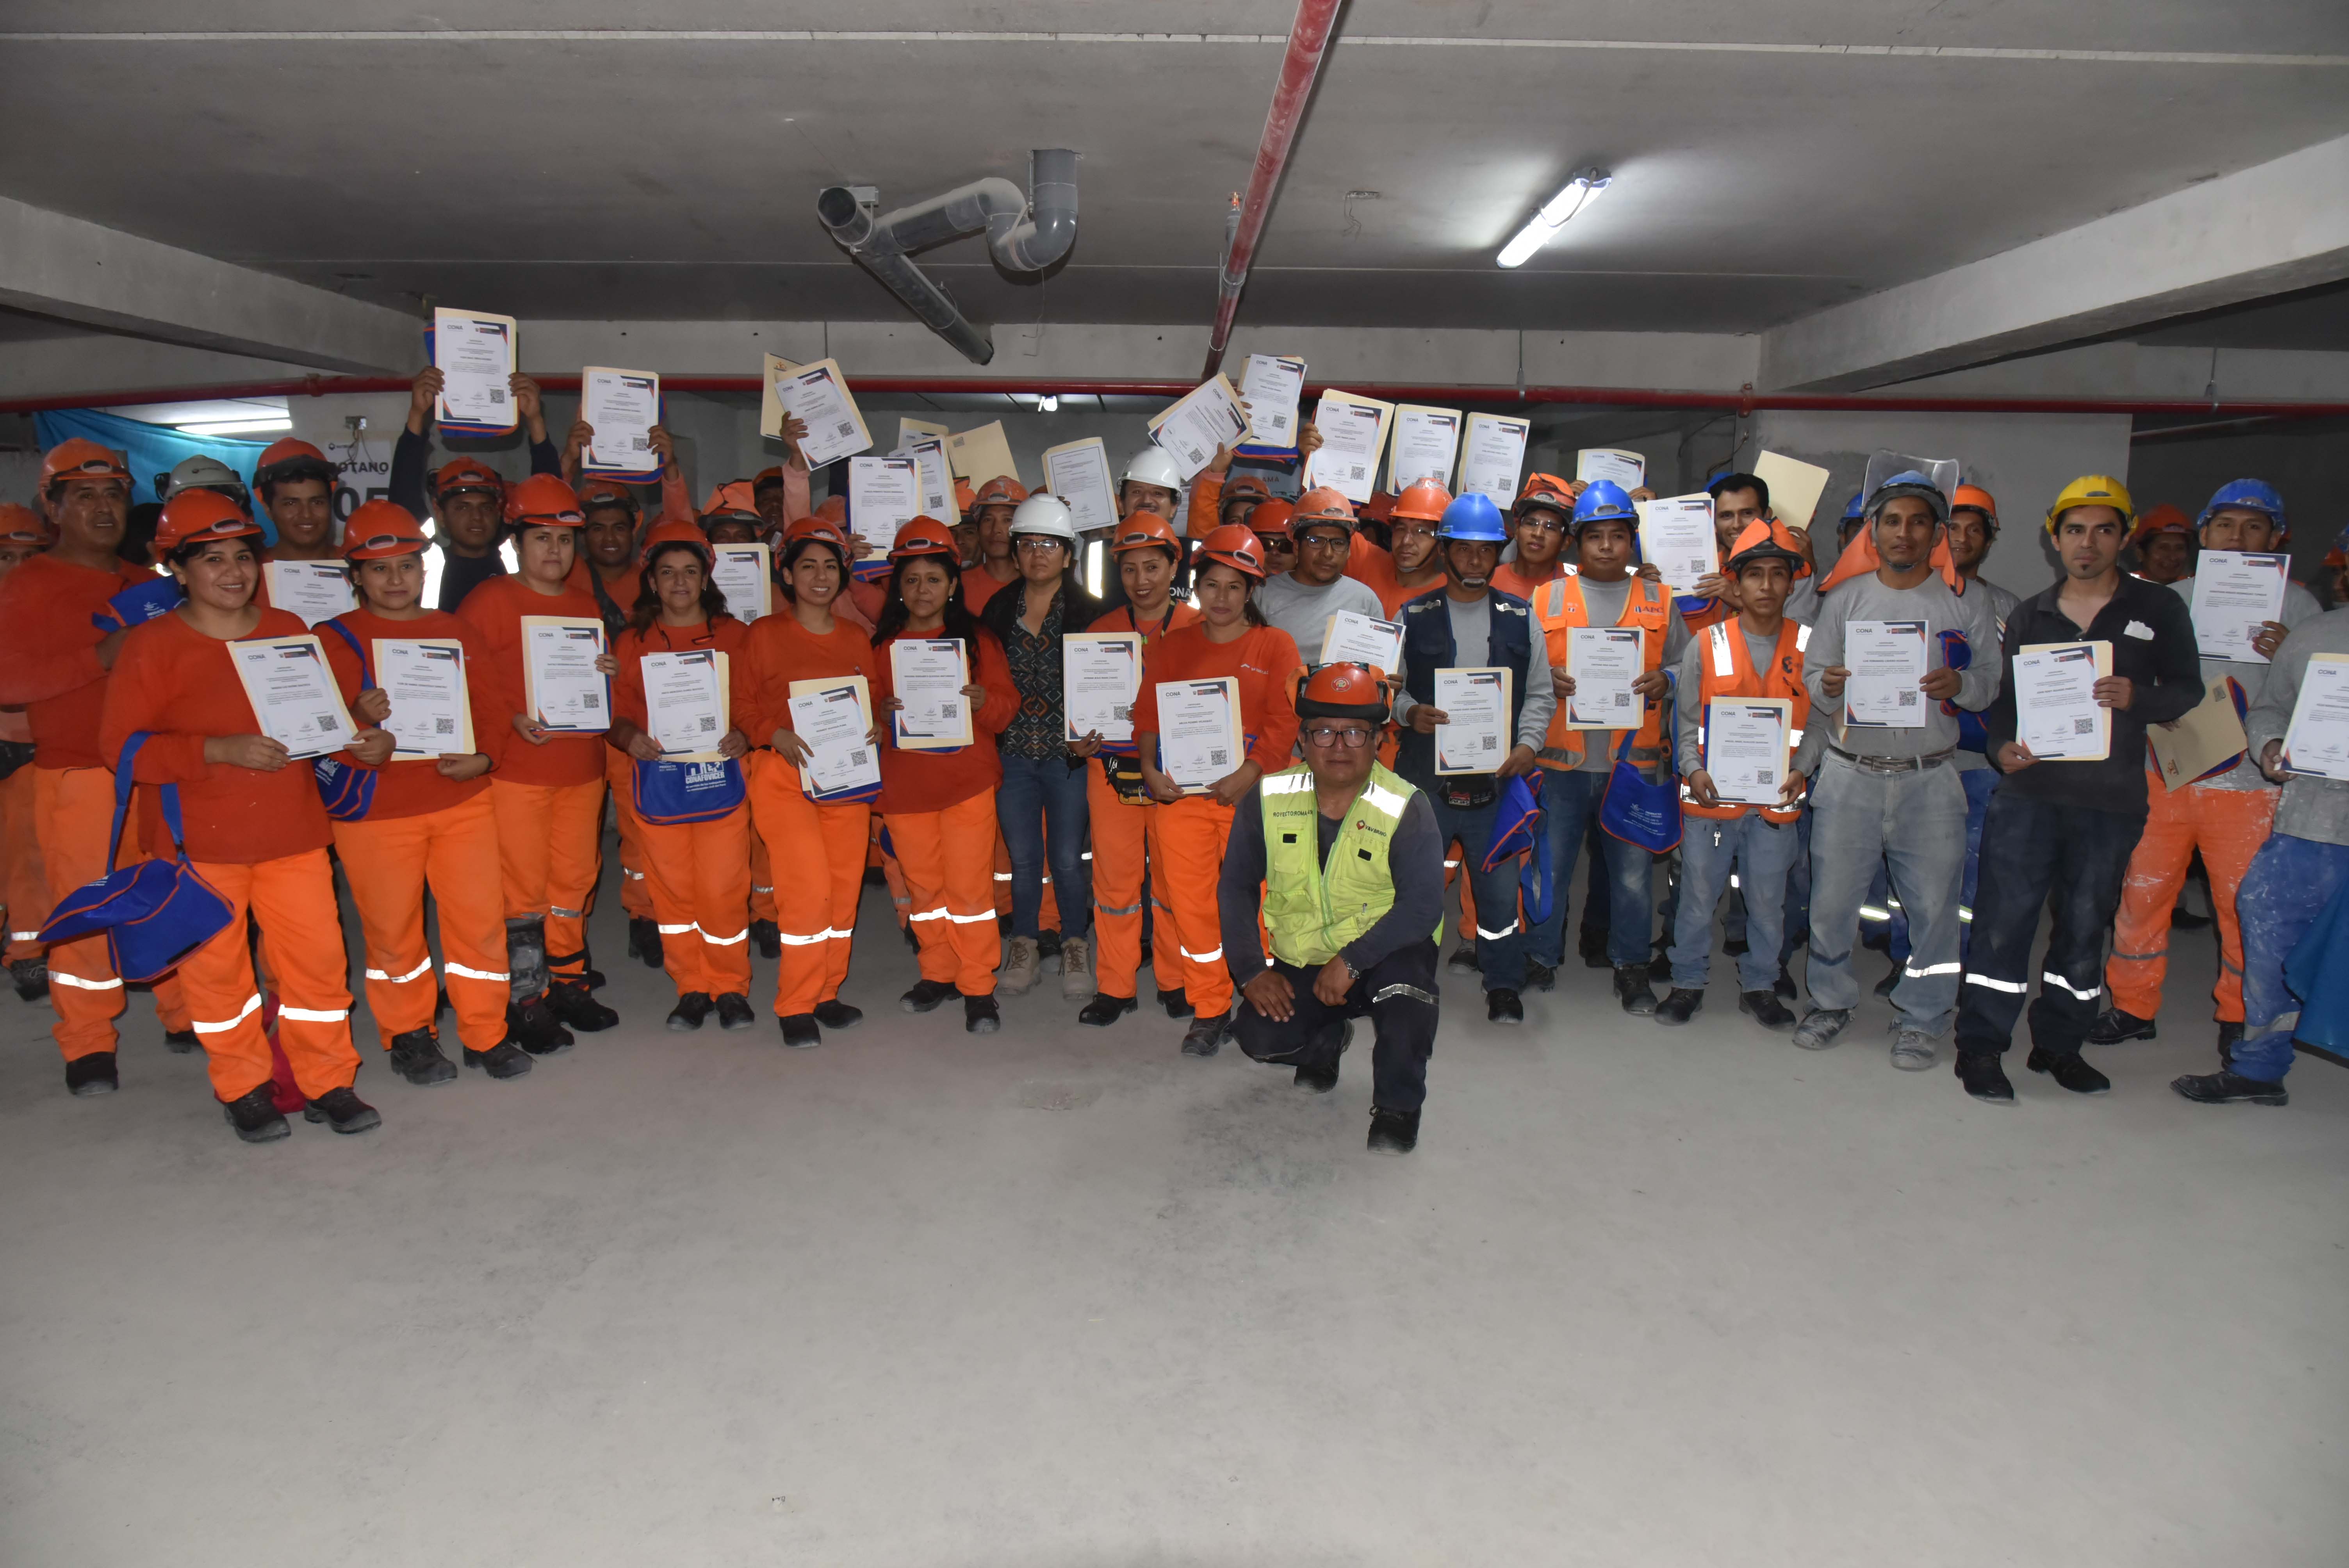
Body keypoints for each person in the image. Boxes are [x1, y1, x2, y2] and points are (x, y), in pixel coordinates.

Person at [98, 491, 382, 1143]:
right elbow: (121, 749)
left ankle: (327, 1081)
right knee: (219, 977)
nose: (234, 572)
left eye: (243, 557)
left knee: (317, 968)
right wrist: (215, 751)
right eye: (213, 559)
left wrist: (360, 736)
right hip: (200, 848)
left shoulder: (288, 627)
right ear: (176, 569)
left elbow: (318, 722)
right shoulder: (152, 647)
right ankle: (244, 1088)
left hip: (293, 836)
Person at [1954, 476, 2203, 1102]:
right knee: (2002, 925)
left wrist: (2139, 698)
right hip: (2029, 798)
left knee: (2085, 929)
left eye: (2103, 531)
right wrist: (1999, 748)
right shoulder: (2031, 614)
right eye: (2074, 531)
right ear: (2054, 537)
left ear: (2124, 536)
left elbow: (2188, 689)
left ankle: (2060, 1046)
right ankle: (1981, 1047)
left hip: (2108, 802)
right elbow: (2008, 706)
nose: (2087, 543)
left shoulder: (2158, 610)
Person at [2092, 480, 2319, 1055]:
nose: (2237, 537)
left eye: (2253, 527)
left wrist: (2293, 653)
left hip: (2248, 786)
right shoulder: (2168, 599)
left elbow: (2322, 700)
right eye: (2225, 525)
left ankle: (2241, 1014)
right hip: (2165, 772)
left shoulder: (2300, 609)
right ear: (2205, 533)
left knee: (2243, 908)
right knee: (2142, 895)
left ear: (2276, 538)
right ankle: (2132, 1005)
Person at [0, 440, 197, 1093]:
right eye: (84, 496)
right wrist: (101, 657)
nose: (103, 507)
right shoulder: (26, 586)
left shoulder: (152, 585)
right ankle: (88, 1042)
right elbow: (10, 682)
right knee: (84, 911)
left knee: (168, 894)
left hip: (158, 771)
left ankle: (182, 1012)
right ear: (53, 507)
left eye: (113, 494)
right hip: (79, 775)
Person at [318, 500, 533, 1084]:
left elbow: (492, 708)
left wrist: (486, 758)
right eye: (379, 568)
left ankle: (486, 1031)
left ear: (424, 568)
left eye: (408, 566)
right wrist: (356, 721)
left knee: (479, 924)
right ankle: (409, 1034)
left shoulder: (454, 629)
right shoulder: (333, 639)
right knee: (393, 933)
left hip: (462, 802)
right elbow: (314, 729)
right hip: (378, 812)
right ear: (356, 575)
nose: (396, 579)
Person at [1797, 470, 2001, 1067]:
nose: (1903, 532)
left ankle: (1923, 1018)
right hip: (1850, 773)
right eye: (1891, 521)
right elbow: (1813, 677)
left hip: (1930, 776)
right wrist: (1830, 684)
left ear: (1937, 533)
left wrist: (1961, 684)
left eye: (1917, 522)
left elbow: (1990, 681)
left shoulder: (1965, 600)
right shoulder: (1845, 598)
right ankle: (1830, 1002)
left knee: (1935, 908)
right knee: (1832, 903)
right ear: (1874, 531)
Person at [1225, 663, 1445, 1154]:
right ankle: (1327, 1041)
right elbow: (1236, 886)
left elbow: (1423, 905)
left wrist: (1352, 960)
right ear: (1302, 740)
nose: (1339, 745)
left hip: (1387, 951)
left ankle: (1397, 1106)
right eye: (1324, 731)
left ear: (1378, 740)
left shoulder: (1406, 805)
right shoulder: (1267, 797)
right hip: (1306, 955)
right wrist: (1250, 970)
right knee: (1259, 1036)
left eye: (1355, 732)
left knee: (1406, 994)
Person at [457, 474, 621, 1045]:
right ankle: (525, 999)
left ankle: (569, 983)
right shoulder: (491, 601)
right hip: (518, 774)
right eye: (542, 538)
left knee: (573, 881)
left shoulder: (583, 604)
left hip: (581, 769)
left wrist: (607, 672)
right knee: (523, 889)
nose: (555, 550)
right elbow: (464, 682)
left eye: (565, 539)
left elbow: (595, 689)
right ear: (516, 543)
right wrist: (509, 718)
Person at [2173, 604, 2349, 1107]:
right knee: (2270, 933)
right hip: (2308, 824)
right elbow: (2271, 707)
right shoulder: (2317, 633)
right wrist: (2269, 744)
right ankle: (2259, 1068)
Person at [1134, 525, 1301, 1053]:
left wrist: (1246, 775)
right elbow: (1148, 717)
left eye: (1235, 587)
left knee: (1261, 902)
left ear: (1251, 591)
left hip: (1253, 798)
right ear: (1196, 588)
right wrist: (1149, 768)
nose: (1222, 598)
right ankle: (1209, 1008)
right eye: (1212, 585)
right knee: (1193, 906)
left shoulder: (1275, 645)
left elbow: (1284, 722)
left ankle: (1265, 1000)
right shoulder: (1172, 646)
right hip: (1182, 801)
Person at [1392, 493, 1554, 1023]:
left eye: (1486, 549)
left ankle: (1503, 982)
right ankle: (1406, 981)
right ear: (1444, 550)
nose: (1475, 559)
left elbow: (1540, 694)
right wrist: (1408, 711)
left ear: (1498, 553)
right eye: (1463, 548)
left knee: (1500, 895)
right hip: (1426, 783)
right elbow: (1386, 688)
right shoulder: (1411, 615)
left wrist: (1529, 745)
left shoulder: (1520, 617)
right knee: (1415, 888)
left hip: (1497, 783)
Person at [1527, 480, 1685, 1012]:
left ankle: (1631, 966)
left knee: (1634, 879)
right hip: (1560, 768)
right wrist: (1546, 677)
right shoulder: (1545, 598)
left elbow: (1688, 663)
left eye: (1618, 536)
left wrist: (1668, 679)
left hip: (1633, 768)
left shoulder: (1661, 600)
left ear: (1632, 542)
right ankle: (1540, 957)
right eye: (1595, 536)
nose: (1606, 546)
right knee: (1550, 870)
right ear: (1577, 542)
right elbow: (1520, 668)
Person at [1659, 520, 1819, 1028]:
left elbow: (1820, 723)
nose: (1766, 585)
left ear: (1792, 582)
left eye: (1778, 574)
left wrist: (1803, 767)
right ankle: (1687, 982)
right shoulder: (1706, 644)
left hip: (1776, 803)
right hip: (1711, 803)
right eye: (1755, 575)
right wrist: (1692, 768)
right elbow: (1685, 722)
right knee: (1696, 899)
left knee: (1768, 903)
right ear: (1737, 582)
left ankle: (1760, 986)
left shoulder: (1811, 645)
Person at [607, 519, 758, 1033]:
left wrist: (744, 733)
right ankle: (691, 987)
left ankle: (730, 987)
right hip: (659, 784)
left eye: (690, 571)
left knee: (723, 888)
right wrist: (629, 737)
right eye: (668, 572)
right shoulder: (632, 642)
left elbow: (756, 702)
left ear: (705, 578)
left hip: (720, 780)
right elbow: (616, 713)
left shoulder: (736, 637)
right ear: (651, 581)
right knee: (672, 891)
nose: (679, 582)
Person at [870, 518, 1019, 1034]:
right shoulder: (882, 645)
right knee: (925, 890)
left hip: (965, 785)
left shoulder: (977, 641)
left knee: (971, 893)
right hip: (906, 788)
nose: (922, 590)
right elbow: (867, 709)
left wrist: (983, 701)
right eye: (911, 580)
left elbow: (1006, 708)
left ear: (953, 584)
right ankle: (937, 972)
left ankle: (978, 985)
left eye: (933, 579)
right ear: (899, 587)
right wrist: (880, 711)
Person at [740, 514, 882, 1048]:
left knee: (843, 891)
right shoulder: (764, 634)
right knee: (806, 891)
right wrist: (772, 734)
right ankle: (796, 1003)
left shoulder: (854, 637)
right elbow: (741, 703)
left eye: (830, 566)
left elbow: (870, 695)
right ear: (787, 574)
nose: (820, 577)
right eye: (808, 567)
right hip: (784, 776)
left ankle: (827, 992)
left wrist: (876, 724)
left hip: (846, 780)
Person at [1068, 513, 1202, 1026]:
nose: (1141, 580)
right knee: (1115, 883)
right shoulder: (1099, 632)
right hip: (1111, 773)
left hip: (1176, 777)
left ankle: (1175, 980)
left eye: (1152, 567)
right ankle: (1116, 986)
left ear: (1174, 568)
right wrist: (1077, 739)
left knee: (1173, 881)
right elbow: (1080, 710)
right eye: (1129, 569)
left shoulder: (1199, 626)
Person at [978, 494, 1102, 999]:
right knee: (1024, 858)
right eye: (1028, 544)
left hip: (1068, 759)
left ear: (1068, 555)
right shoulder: (997, 608)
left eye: (1049, 545)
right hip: (1012, 754)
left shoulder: (1092, 611)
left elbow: (1109, 683)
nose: (1037, 554)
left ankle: (1074, 943)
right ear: (1016, 553)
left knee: (1068, 858)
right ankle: (1025, 945)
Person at [389, 366, 562, 611]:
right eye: (462, 508)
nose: (477, 517)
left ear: (499, 511)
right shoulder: (424, 563)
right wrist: (417, 415)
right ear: (440, 513)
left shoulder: (520, 560)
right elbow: (402, 498)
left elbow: (550, 504)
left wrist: (535, 421)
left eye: (486, 507)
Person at [0, 504, 54, 1001]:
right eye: (6, 556)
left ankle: (29, 952)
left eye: (29, 556)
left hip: (30, 746)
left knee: (28, 857)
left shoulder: (54, 612)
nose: (18, 567)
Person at [1252, 486, 1387, 660]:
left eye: (1338, 543)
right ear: (1296, 546)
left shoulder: (1365, 601)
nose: (1328, 554)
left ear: (1349, 551)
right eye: (1316, 541)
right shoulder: (1263, 595)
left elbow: (1379, 669)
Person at [1348, 481, 1447, 618]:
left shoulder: (1449, 597)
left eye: (1421, 531)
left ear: (1442, 541)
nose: (1406, 541)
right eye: (1401, 529)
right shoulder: (1367, 562)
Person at [248, 439, 341, 561]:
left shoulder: (358, 567)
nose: (307, 515)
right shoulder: (250, 571)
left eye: (317, 502)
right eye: (291, 503)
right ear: (268, 509)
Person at [1492, 473, 1577, 601]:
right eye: (1531, 524)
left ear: (1566, 542)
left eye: (1550, 527)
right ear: (1517, 531)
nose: (1538, 533)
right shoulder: (1489, 582)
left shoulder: (1574, 593)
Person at [960, 475, 1027, 613]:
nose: (996, 530)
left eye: (1008, 520)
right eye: (988, 520)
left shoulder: (1039, 586)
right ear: (978, 530)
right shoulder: (958, 585)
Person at [2127, 504, 2195, 584]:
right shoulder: (2124, 587)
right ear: (2140, 554)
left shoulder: (2195, 587)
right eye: (2163, 548)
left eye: (2180, 548)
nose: (2173, 557)